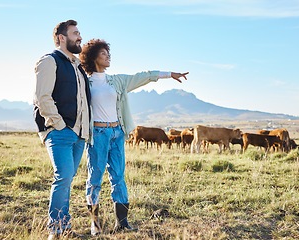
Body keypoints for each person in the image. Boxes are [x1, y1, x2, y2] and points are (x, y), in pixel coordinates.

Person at [79, 39, 188, 235]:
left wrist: (169, 74)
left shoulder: (117, 80)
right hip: (98, 134)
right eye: (103, 53)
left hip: (117, 133)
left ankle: (122, 223)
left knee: (118, 177)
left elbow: (143, 76)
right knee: (95, 178)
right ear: (93, 57)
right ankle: (95, 225)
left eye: (108, 53)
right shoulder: (84, 83)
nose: (108, 56)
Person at [33, 20, 91, 239]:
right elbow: (42, 97)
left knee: (67, 179)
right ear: (61, 38)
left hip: (78, 134)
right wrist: (59, 125)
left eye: (79, 33)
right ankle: (56, 231)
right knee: (63, 177)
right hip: (60, 131)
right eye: (75, 33)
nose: (80, 37)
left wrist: (81, 130)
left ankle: (63, 228)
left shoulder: (78, 67)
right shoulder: (50, 61)